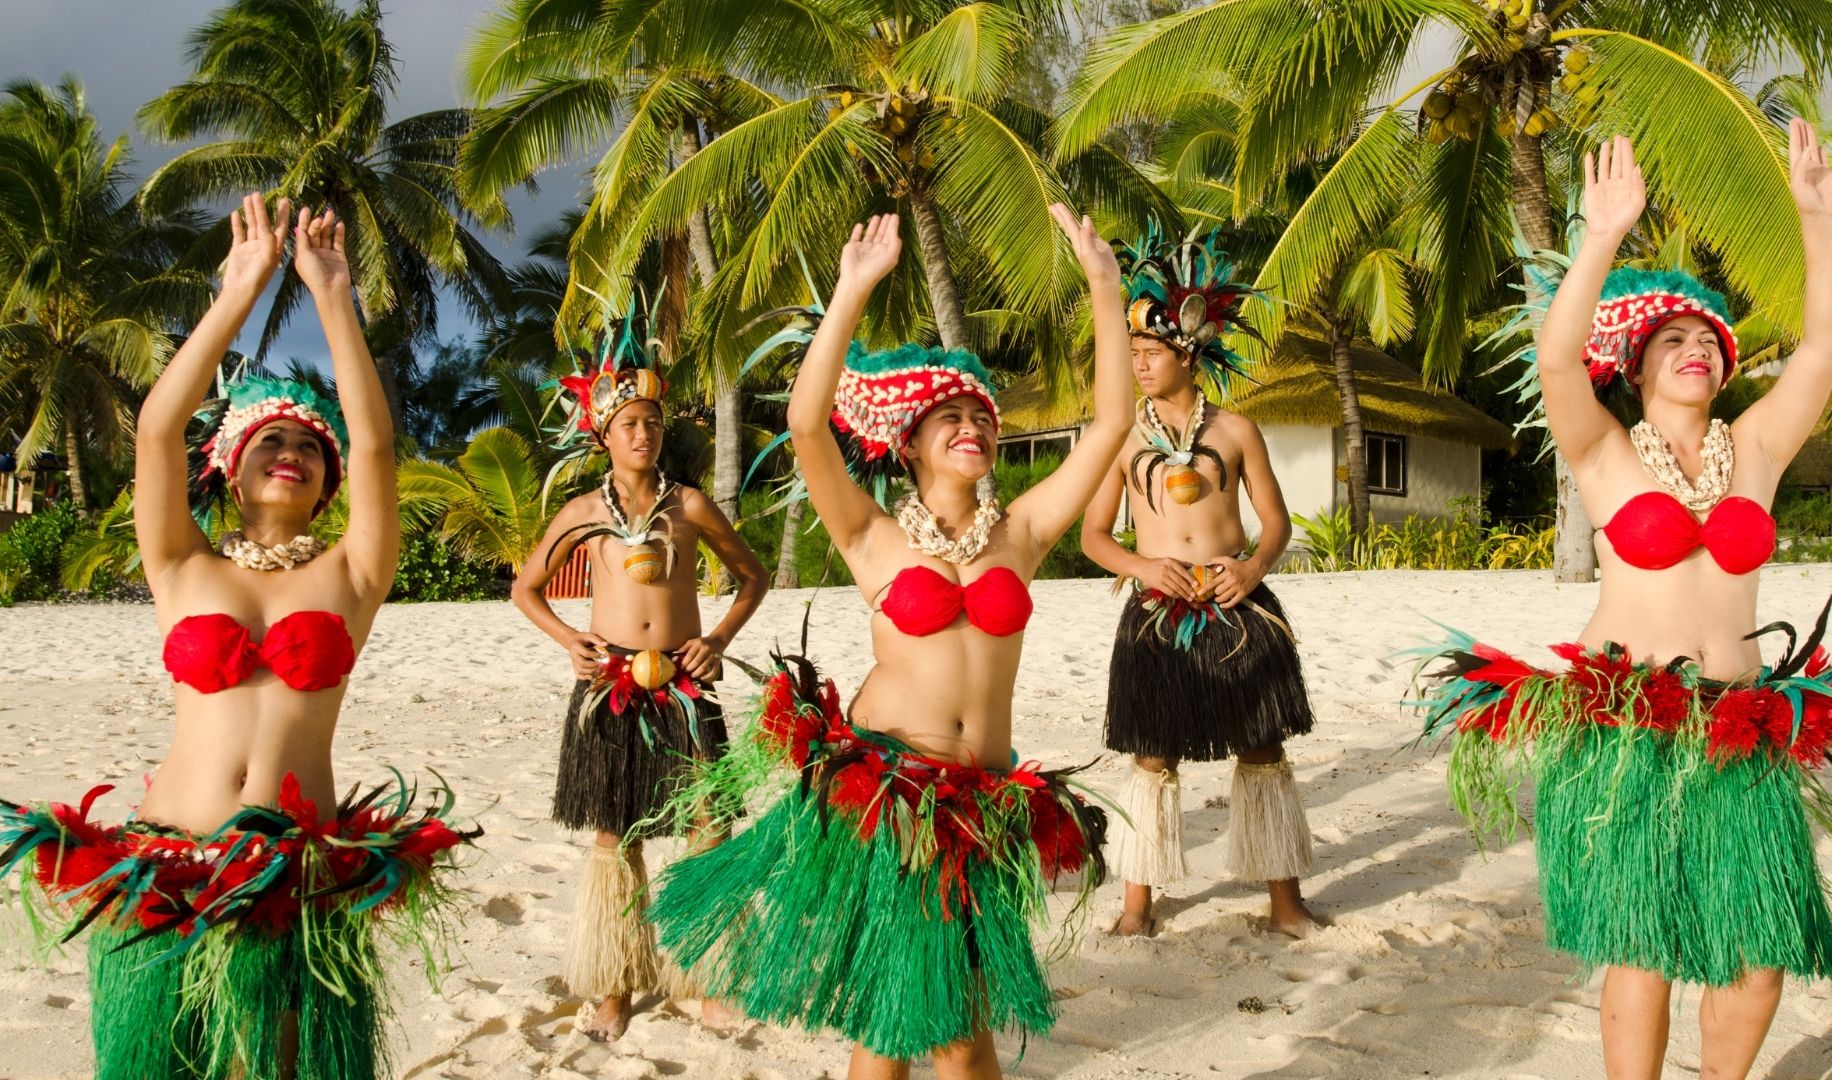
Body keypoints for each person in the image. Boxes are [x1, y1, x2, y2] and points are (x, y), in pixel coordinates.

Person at [1408, 123, 1832, 1079]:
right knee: (1642, 953)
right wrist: (1602, 234)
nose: (1695, 350)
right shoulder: (1604, 453)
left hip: (1741, 724)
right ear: (1635, 369)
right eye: (1671, 339)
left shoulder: (1756, 448)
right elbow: (1558, 364)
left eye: (1708, 342)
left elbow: (1825, 346)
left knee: (1757, 957)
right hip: (1628, 727)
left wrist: (1816, 218)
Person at [645, 205, 1131, 1079]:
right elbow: (806, 425)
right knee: (926, 1027)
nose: (972, 425)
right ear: (909, 445)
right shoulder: (872, 537)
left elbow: (1109, 427)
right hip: (889, 798)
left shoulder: (1020, 533)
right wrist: (852, 289)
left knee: (926, 1026)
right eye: (949, 416)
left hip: (977, 805)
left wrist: (1104, 285)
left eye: (981, 414)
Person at [0, 194, 474, 1080]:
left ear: (329, 482)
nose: (290, 448)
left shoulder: (351, 577)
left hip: (294, 877)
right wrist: (241, 291)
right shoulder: (183, 566)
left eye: (310, 444)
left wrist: (331, 295)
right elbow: (156, 429)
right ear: (229, 465)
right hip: (172, 862)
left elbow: (377, 449)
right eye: (269, 438)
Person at [512, 297, 768, 1040]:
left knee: (707, 824)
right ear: (603, 433)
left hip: (686, 683)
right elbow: (525, 588)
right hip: (610, 686)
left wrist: (717, 639)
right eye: (628, 422)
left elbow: (752, 577)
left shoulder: (689, 506)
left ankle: (710, 975)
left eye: (652, 422)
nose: (643, 432)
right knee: (615, 834)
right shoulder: (582, 512)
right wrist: (569, 638)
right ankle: (617, 983)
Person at [1082, 227, 1320, 937]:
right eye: (1132, 354)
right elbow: (1094, 536)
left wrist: (1251, 568)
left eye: (1150, 353)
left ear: (1186, 353)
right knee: (1153, 755)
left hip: (1236, 603)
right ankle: (1137, 908)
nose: (1138, 365)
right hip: (1158, 609)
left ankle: (1285, 904)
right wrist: (1143, 566)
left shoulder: (1237, 430)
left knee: (1262, 748)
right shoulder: (1121, 438)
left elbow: (1275, 523)